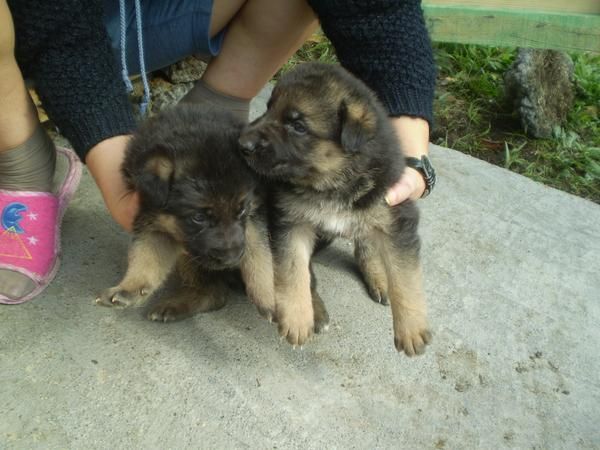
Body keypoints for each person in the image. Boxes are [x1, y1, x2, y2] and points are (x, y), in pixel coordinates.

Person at [0, 0, 436, 304]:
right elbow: (58, 32)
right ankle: (22, 163)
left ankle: (219, 104)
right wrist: (116, 162)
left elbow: (379, 9)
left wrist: (408, 148)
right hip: (33, 24)